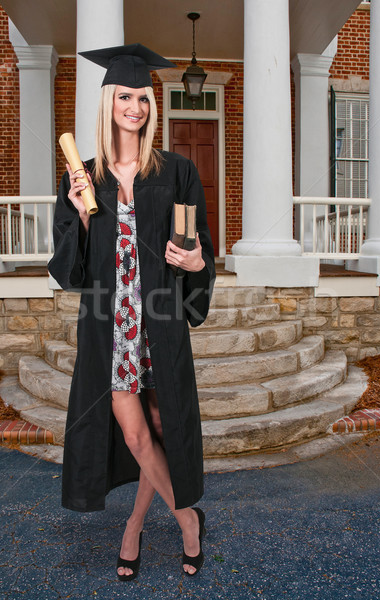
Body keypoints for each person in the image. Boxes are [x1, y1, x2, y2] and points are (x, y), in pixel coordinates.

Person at [47, 43, 215, 581]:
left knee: (162, 426)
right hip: (111, 325)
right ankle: (188, 520)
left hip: (160, 322)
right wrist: (82, 216)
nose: (134, 106)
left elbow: (199, 248)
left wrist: (194, 259)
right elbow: (70, 270)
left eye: (142, 97)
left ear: (151, 105)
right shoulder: (84, 179)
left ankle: (135, 527)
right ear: (108, 102)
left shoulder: (177, 172)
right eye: (124, 96)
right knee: (136, 433)